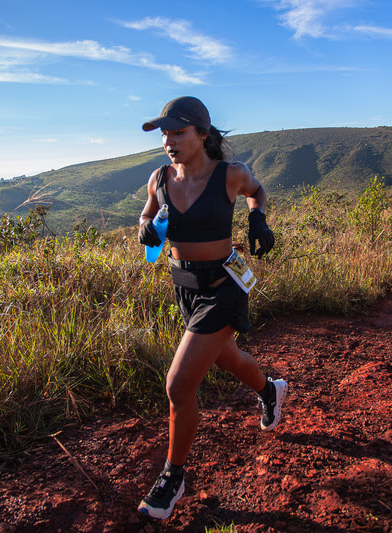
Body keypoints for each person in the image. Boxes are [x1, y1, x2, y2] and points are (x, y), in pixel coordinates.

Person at [135, 96, 288, 520]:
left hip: (224, 287)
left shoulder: (229, 175)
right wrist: (146, 229)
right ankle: (270, 391)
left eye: (178, 131)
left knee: (179, 386)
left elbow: (257, 191)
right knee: (227, 359)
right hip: (184, 289)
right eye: (164, 133)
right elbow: (144, 218)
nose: (169, 140)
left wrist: (259, 220)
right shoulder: (159, 179)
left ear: (202, 135)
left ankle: (173, 477)